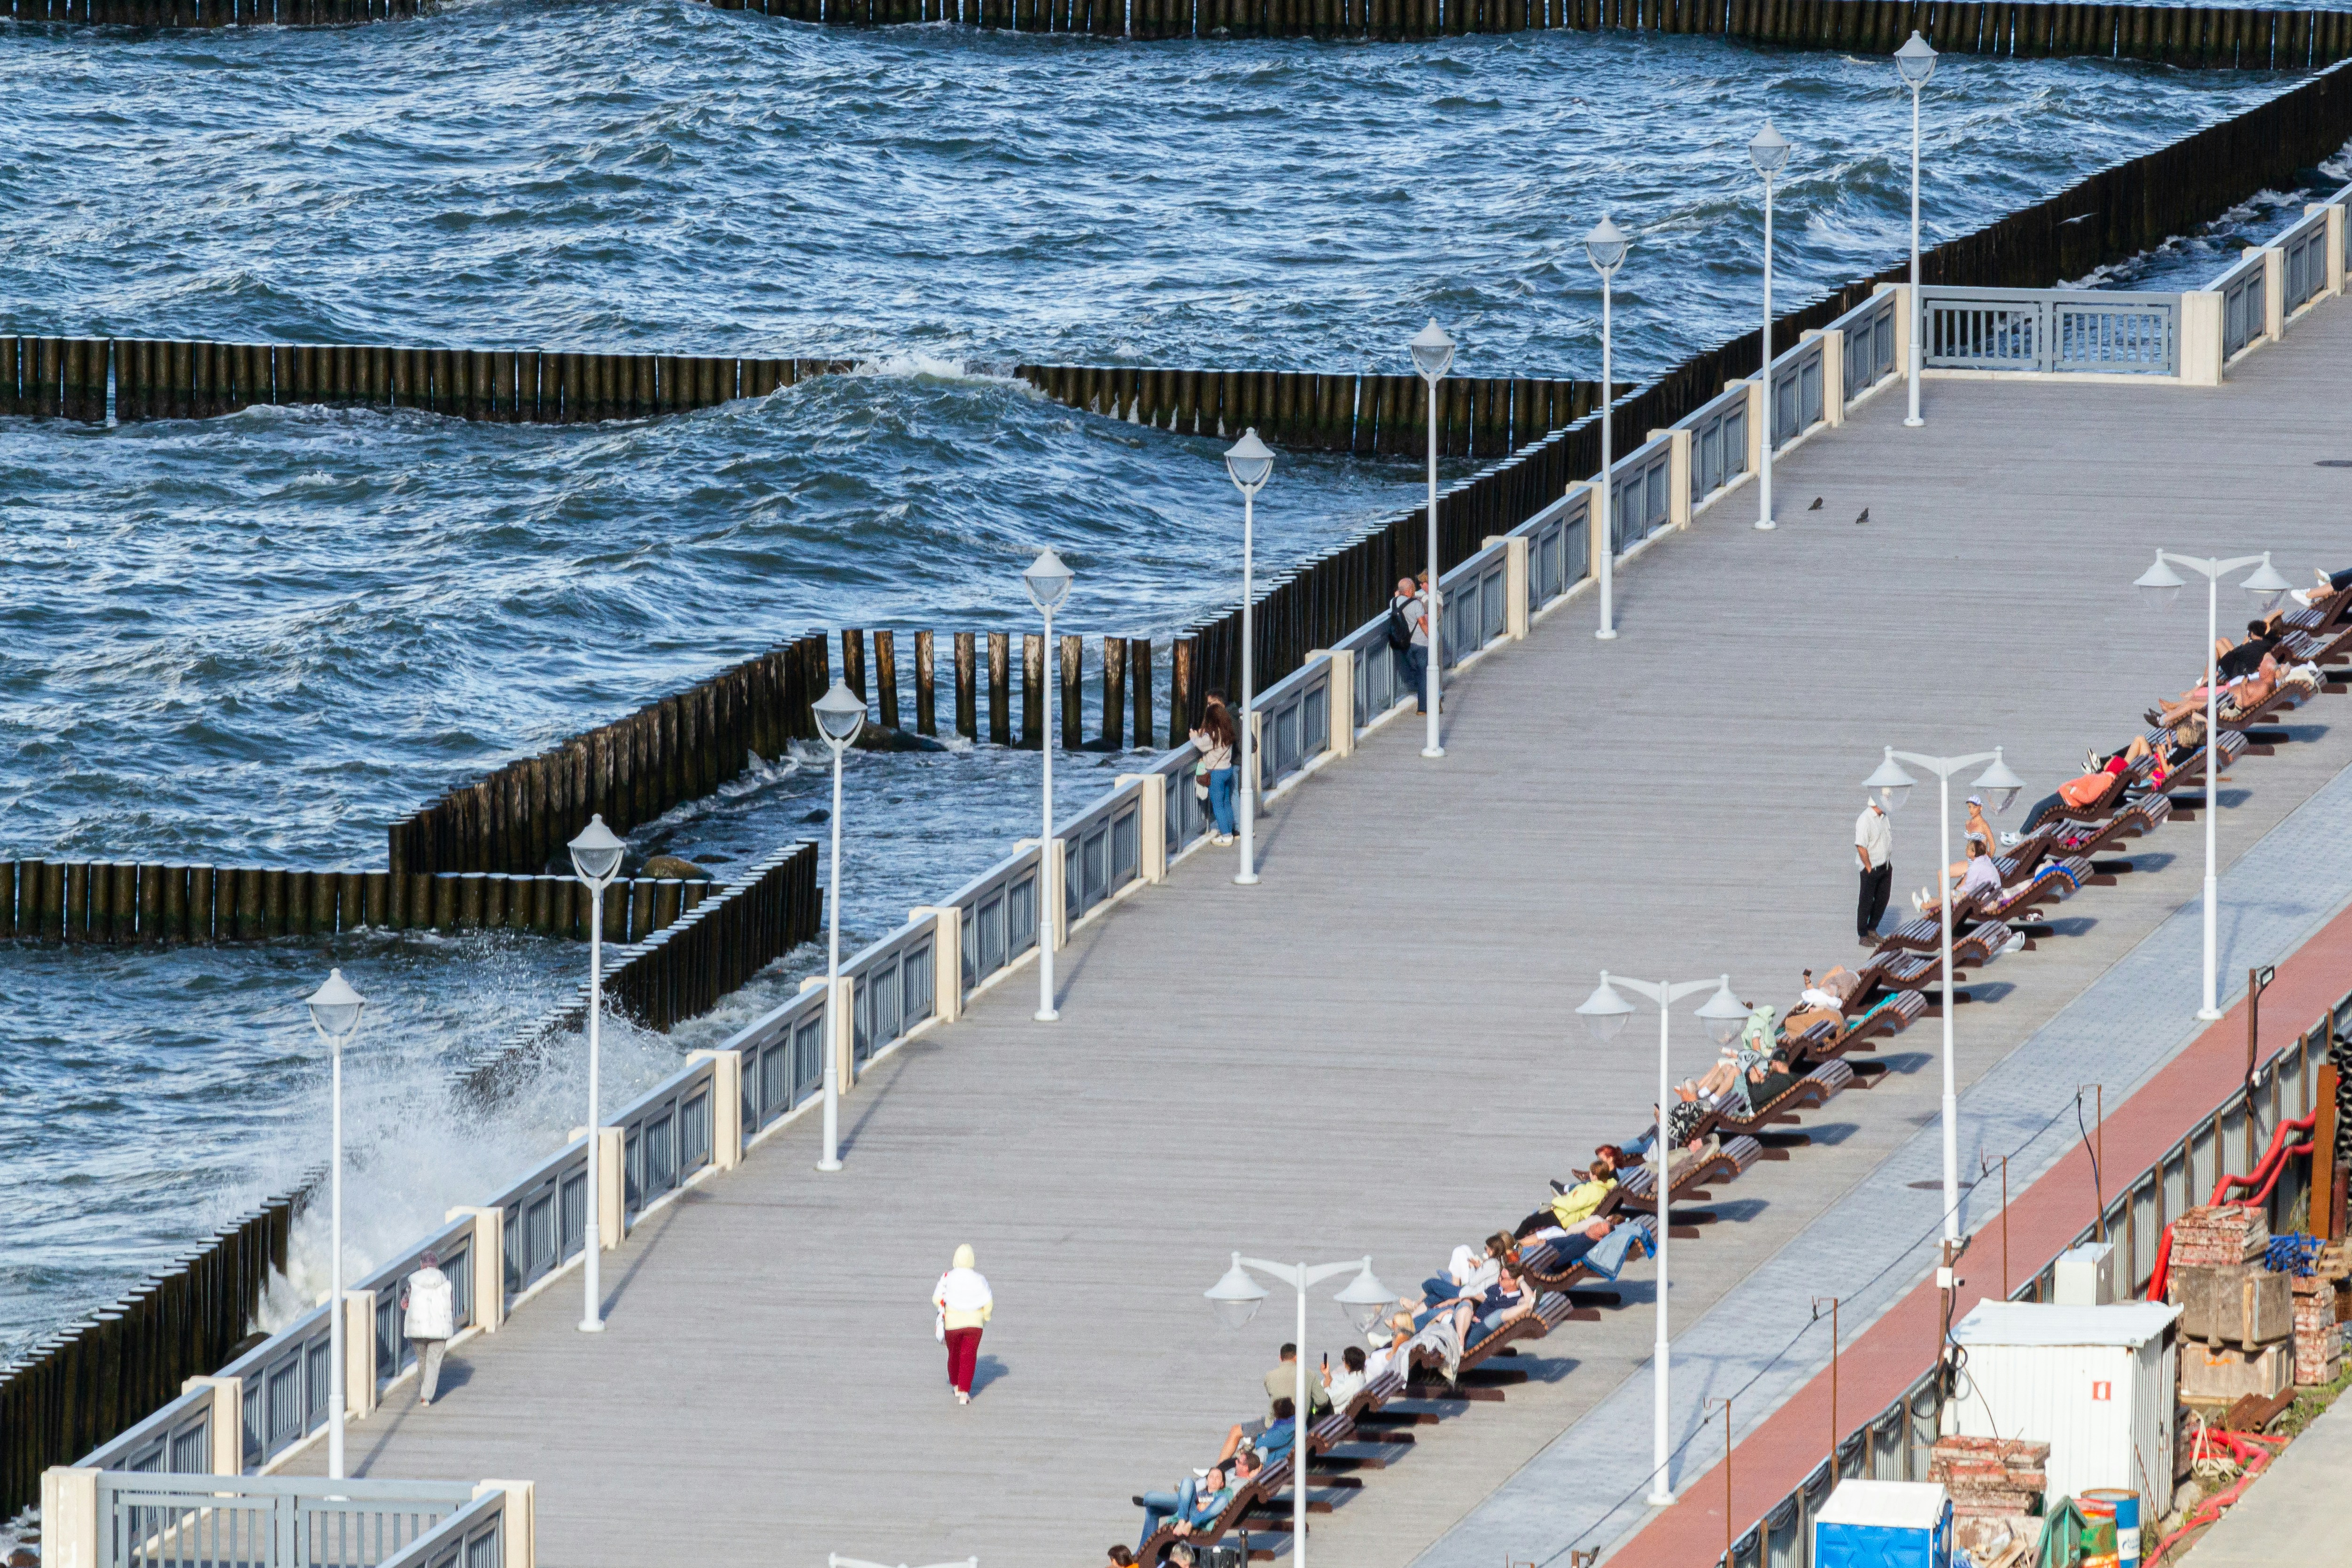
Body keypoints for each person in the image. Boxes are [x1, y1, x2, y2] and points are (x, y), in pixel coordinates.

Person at [932, 1243, 993, 1405]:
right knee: (969, 1357)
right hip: (974, 1326)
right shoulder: (980, 1279)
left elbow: (936, 1299)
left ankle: (956, 1385)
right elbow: (988, 1302)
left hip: (952, 1325)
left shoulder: (947, 1277)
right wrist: (985, 1318)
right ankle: (965, 1394)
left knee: (954, 1354)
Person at [399, 1250, 456, 1406]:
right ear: (436, 1265)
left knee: (422, 1359)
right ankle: (426, 1395)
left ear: (422, 1265)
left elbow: (405, 1304)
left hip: (418, 1329)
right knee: (434, 1362)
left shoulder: (413, 1283)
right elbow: (450, 1304)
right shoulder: (446, 1282)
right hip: (440, 1330)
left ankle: (425, 1391)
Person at [1188, 696, 1238, 846]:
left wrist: (1193, 736)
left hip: (1216, 773)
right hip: (1227, 770)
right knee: (1226, 803)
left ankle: (1226, 835)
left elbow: (1202, 745)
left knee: (1218, 806)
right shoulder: (1227, 731)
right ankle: (1230, 829)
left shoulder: (1214, 734)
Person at [1916, 838, 2002, 918]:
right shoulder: (1986, 861)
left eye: (1968, 848)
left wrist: (1958, 891)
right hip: (1993, 900)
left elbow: (1969, 888)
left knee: (1953, 895)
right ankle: (1931, 901)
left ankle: (1924, 906)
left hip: (1985, 905)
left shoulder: (1975, 867)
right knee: (1955, 895)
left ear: (1974, 852)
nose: (1966, 849)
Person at [1855, 794, 1893, 946]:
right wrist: (1869, 868)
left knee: (1883, 898)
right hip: (1871, 868)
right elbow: (1861, 846)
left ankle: (1873, 929)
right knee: (1866, 901)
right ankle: (1863, 934)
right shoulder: (1865, 820)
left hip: (1886, 866)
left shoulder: (1884, 817)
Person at [1393, 575, 1432, 714]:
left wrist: (1399, 594)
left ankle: (1426, 695)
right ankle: (1423, 708)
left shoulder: (1394, 603)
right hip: (1421, 643)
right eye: (1414, 589)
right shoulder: (1416, 605)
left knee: (1416, 671)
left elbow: (1397, 597)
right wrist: (1432, 638)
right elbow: (1422, 624)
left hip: (1405, 643)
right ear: (1410, 591)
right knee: (1423, 674)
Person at [1324, 1345, 1369, 1412]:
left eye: (1344, 1359)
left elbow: (1329, 1400)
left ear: (1350, 1363)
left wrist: (1326, 1386)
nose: (1343, 1362)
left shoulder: (1352, 1383)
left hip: (1335, 1415)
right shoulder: (1360, 1376)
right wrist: (1327, 1374)